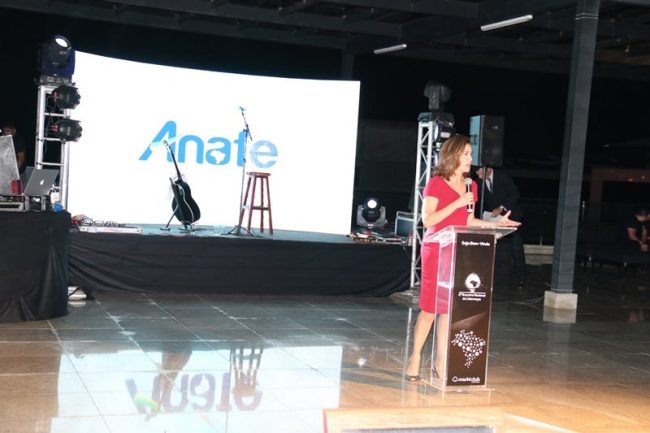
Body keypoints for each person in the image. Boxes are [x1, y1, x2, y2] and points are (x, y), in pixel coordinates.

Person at [405, 135, 520, 381]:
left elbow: (468, 221)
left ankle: (440, 361)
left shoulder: (471, 186)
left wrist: (495, 224)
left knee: (448, 308)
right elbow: (428, 220)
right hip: (436, 249)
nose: (470, 158)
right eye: (466, 153)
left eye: (470, 153)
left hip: (458, 249)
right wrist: (457, 202)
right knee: (430, 309)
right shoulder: (436, 183)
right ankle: (415, 356)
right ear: (453, 155)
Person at [475, 166, 526, 288]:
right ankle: (493, 278)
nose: (478, 175)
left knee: (516, 248)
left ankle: (521, 277)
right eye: (477, 173)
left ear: (488, 169)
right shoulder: (478, 182)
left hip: (511, 217)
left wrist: (502, 207)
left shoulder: (502, 176)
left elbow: (515, 194)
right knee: (492, 247)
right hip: (492, 219)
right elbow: (480, 202)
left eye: (480, 172)